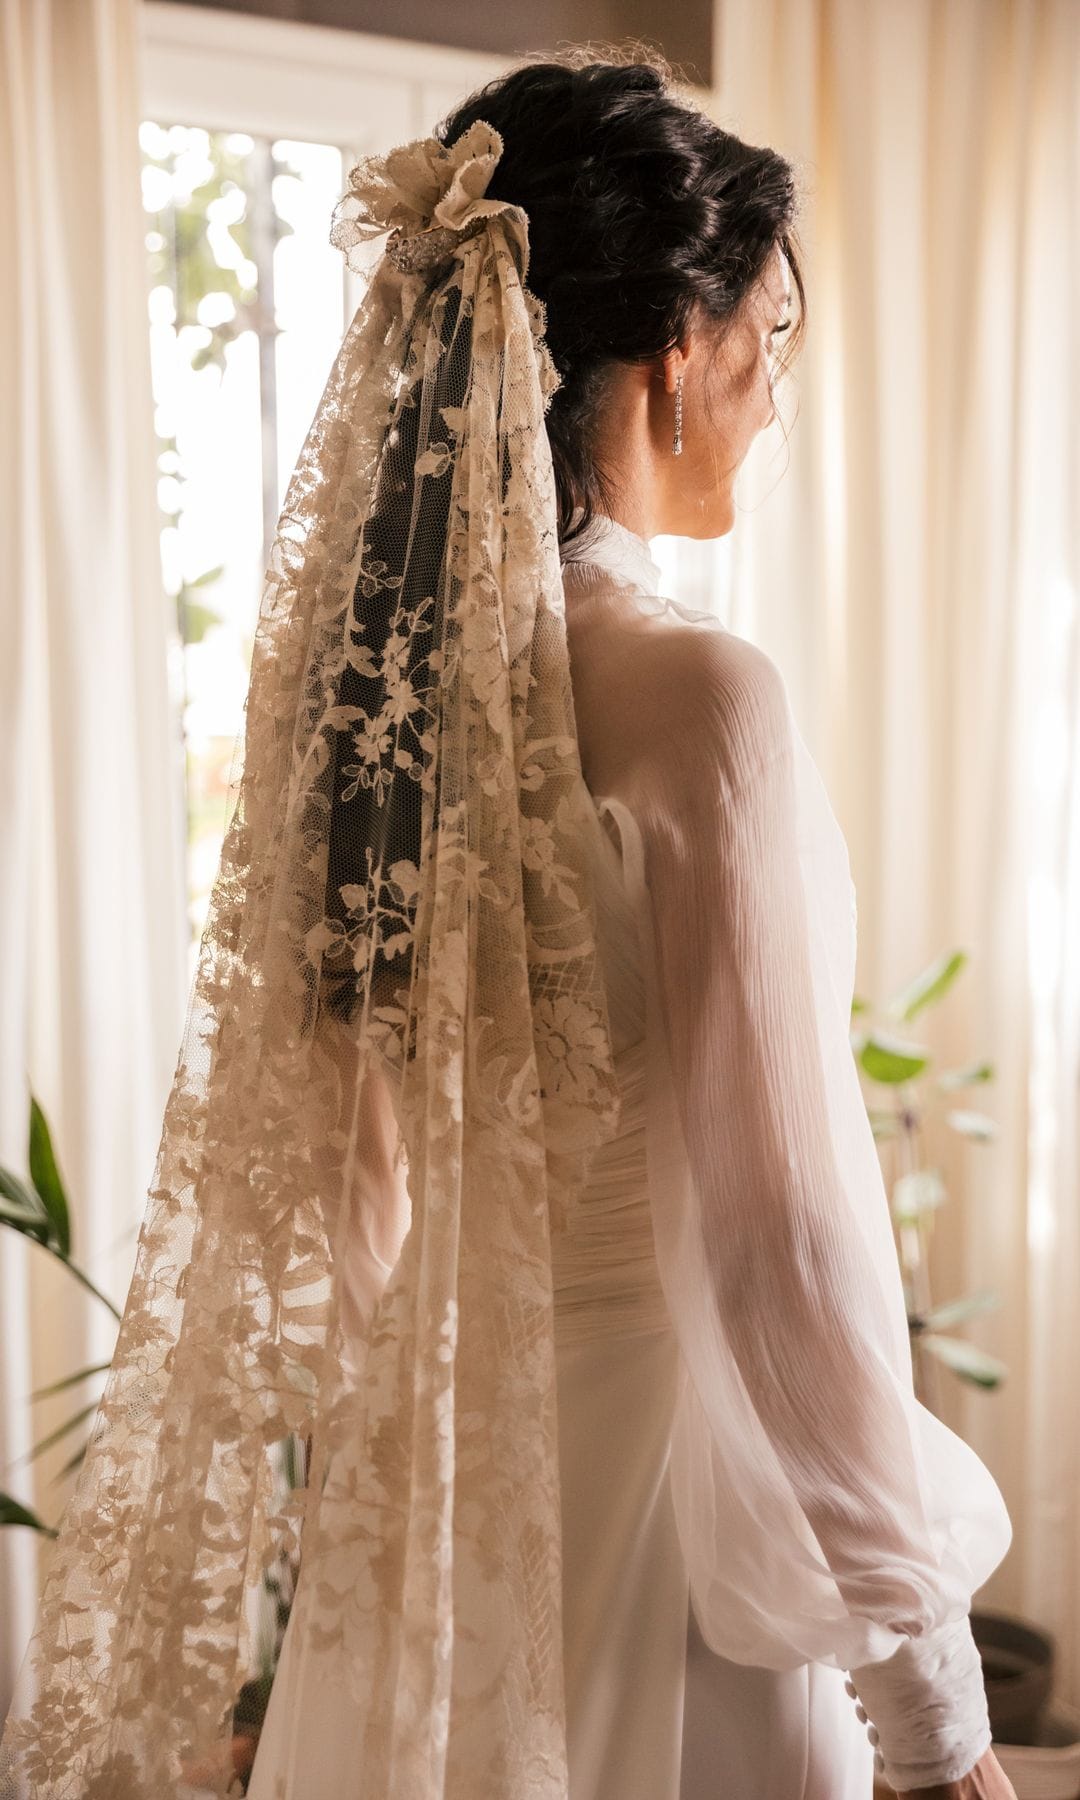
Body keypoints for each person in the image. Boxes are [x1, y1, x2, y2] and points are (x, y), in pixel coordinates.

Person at [0, 48, 1016, 1800]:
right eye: (769, 340)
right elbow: (784, 1250)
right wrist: (938, 1729)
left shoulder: (370, 707)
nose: (775, 398)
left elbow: (359, 1191)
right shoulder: (704, 702)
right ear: (674, 348)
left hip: (436, 1528)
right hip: (666, 1530)